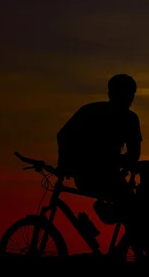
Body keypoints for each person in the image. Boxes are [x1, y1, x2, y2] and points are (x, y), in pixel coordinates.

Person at [57, 74, 142, 202]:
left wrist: (65, 164)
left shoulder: (90, 110)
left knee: (124, 206)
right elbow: (134, 152)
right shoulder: (130, 119)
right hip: (105, 177)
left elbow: (63, 136)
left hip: (88, 177)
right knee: (129, 206)